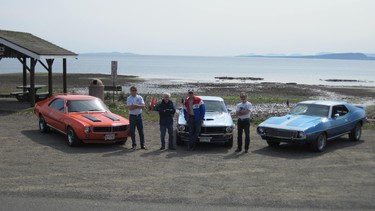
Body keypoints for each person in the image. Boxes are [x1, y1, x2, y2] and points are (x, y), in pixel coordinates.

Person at [127, 86, 146, 150]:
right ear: (130, 91)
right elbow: (130, 108)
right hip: (132, 116)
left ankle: (142, 145)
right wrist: (138, 106)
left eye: (135, 90)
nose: (134, 91)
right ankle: (134, 145)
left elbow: (143, 106)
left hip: (139, 116)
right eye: (132, 90)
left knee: (141, 131)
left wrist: (135, 105)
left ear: (136, 91)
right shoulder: (129, 98)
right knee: (132, 131)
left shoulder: (140, 97)